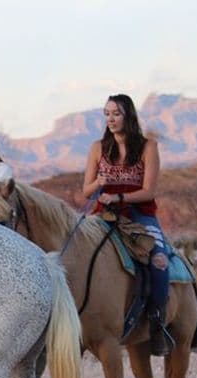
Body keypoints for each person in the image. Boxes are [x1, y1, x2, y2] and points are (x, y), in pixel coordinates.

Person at [83, 93, 171, 356]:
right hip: (104, 213)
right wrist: (98, 185)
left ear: (128, 115)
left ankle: (157, 322)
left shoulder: (148, 147)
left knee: (159, 259)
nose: (110, 119)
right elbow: (87, 191)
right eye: (107, 113)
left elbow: (149, 191)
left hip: (138, 214)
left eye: (116, 113)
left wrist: (120, 196)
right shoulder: (98, 148)